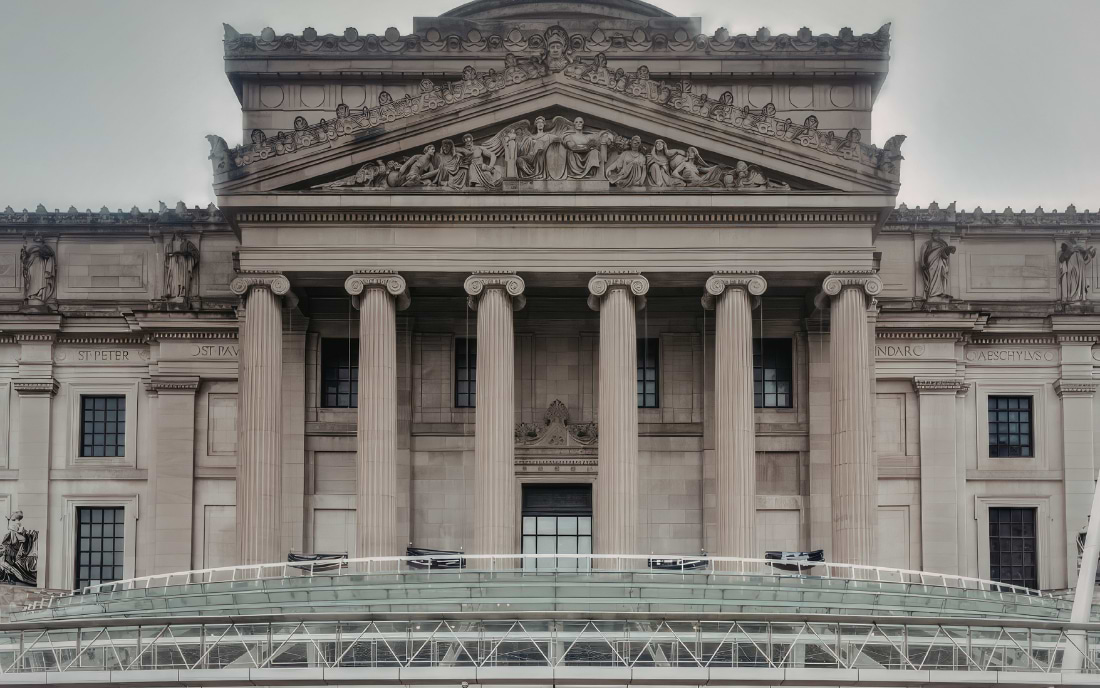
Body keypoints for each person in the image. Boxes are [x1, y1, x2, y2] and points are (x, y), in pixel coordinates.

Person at [920, 231, 956, 299]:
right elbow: (922, 254)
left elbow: (945, 255)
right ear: (932, 235)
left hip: (941, 262)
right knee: (933, 276)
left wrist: (948, 250)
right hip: (931, 263)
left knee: (941, 275)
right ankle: (933, 293)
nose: (936, 236)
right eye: (934, 234)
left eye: (937, 234)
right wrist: (922, 263)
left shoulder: (943, 243)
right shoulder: (927, 243)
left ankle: (940, 292)